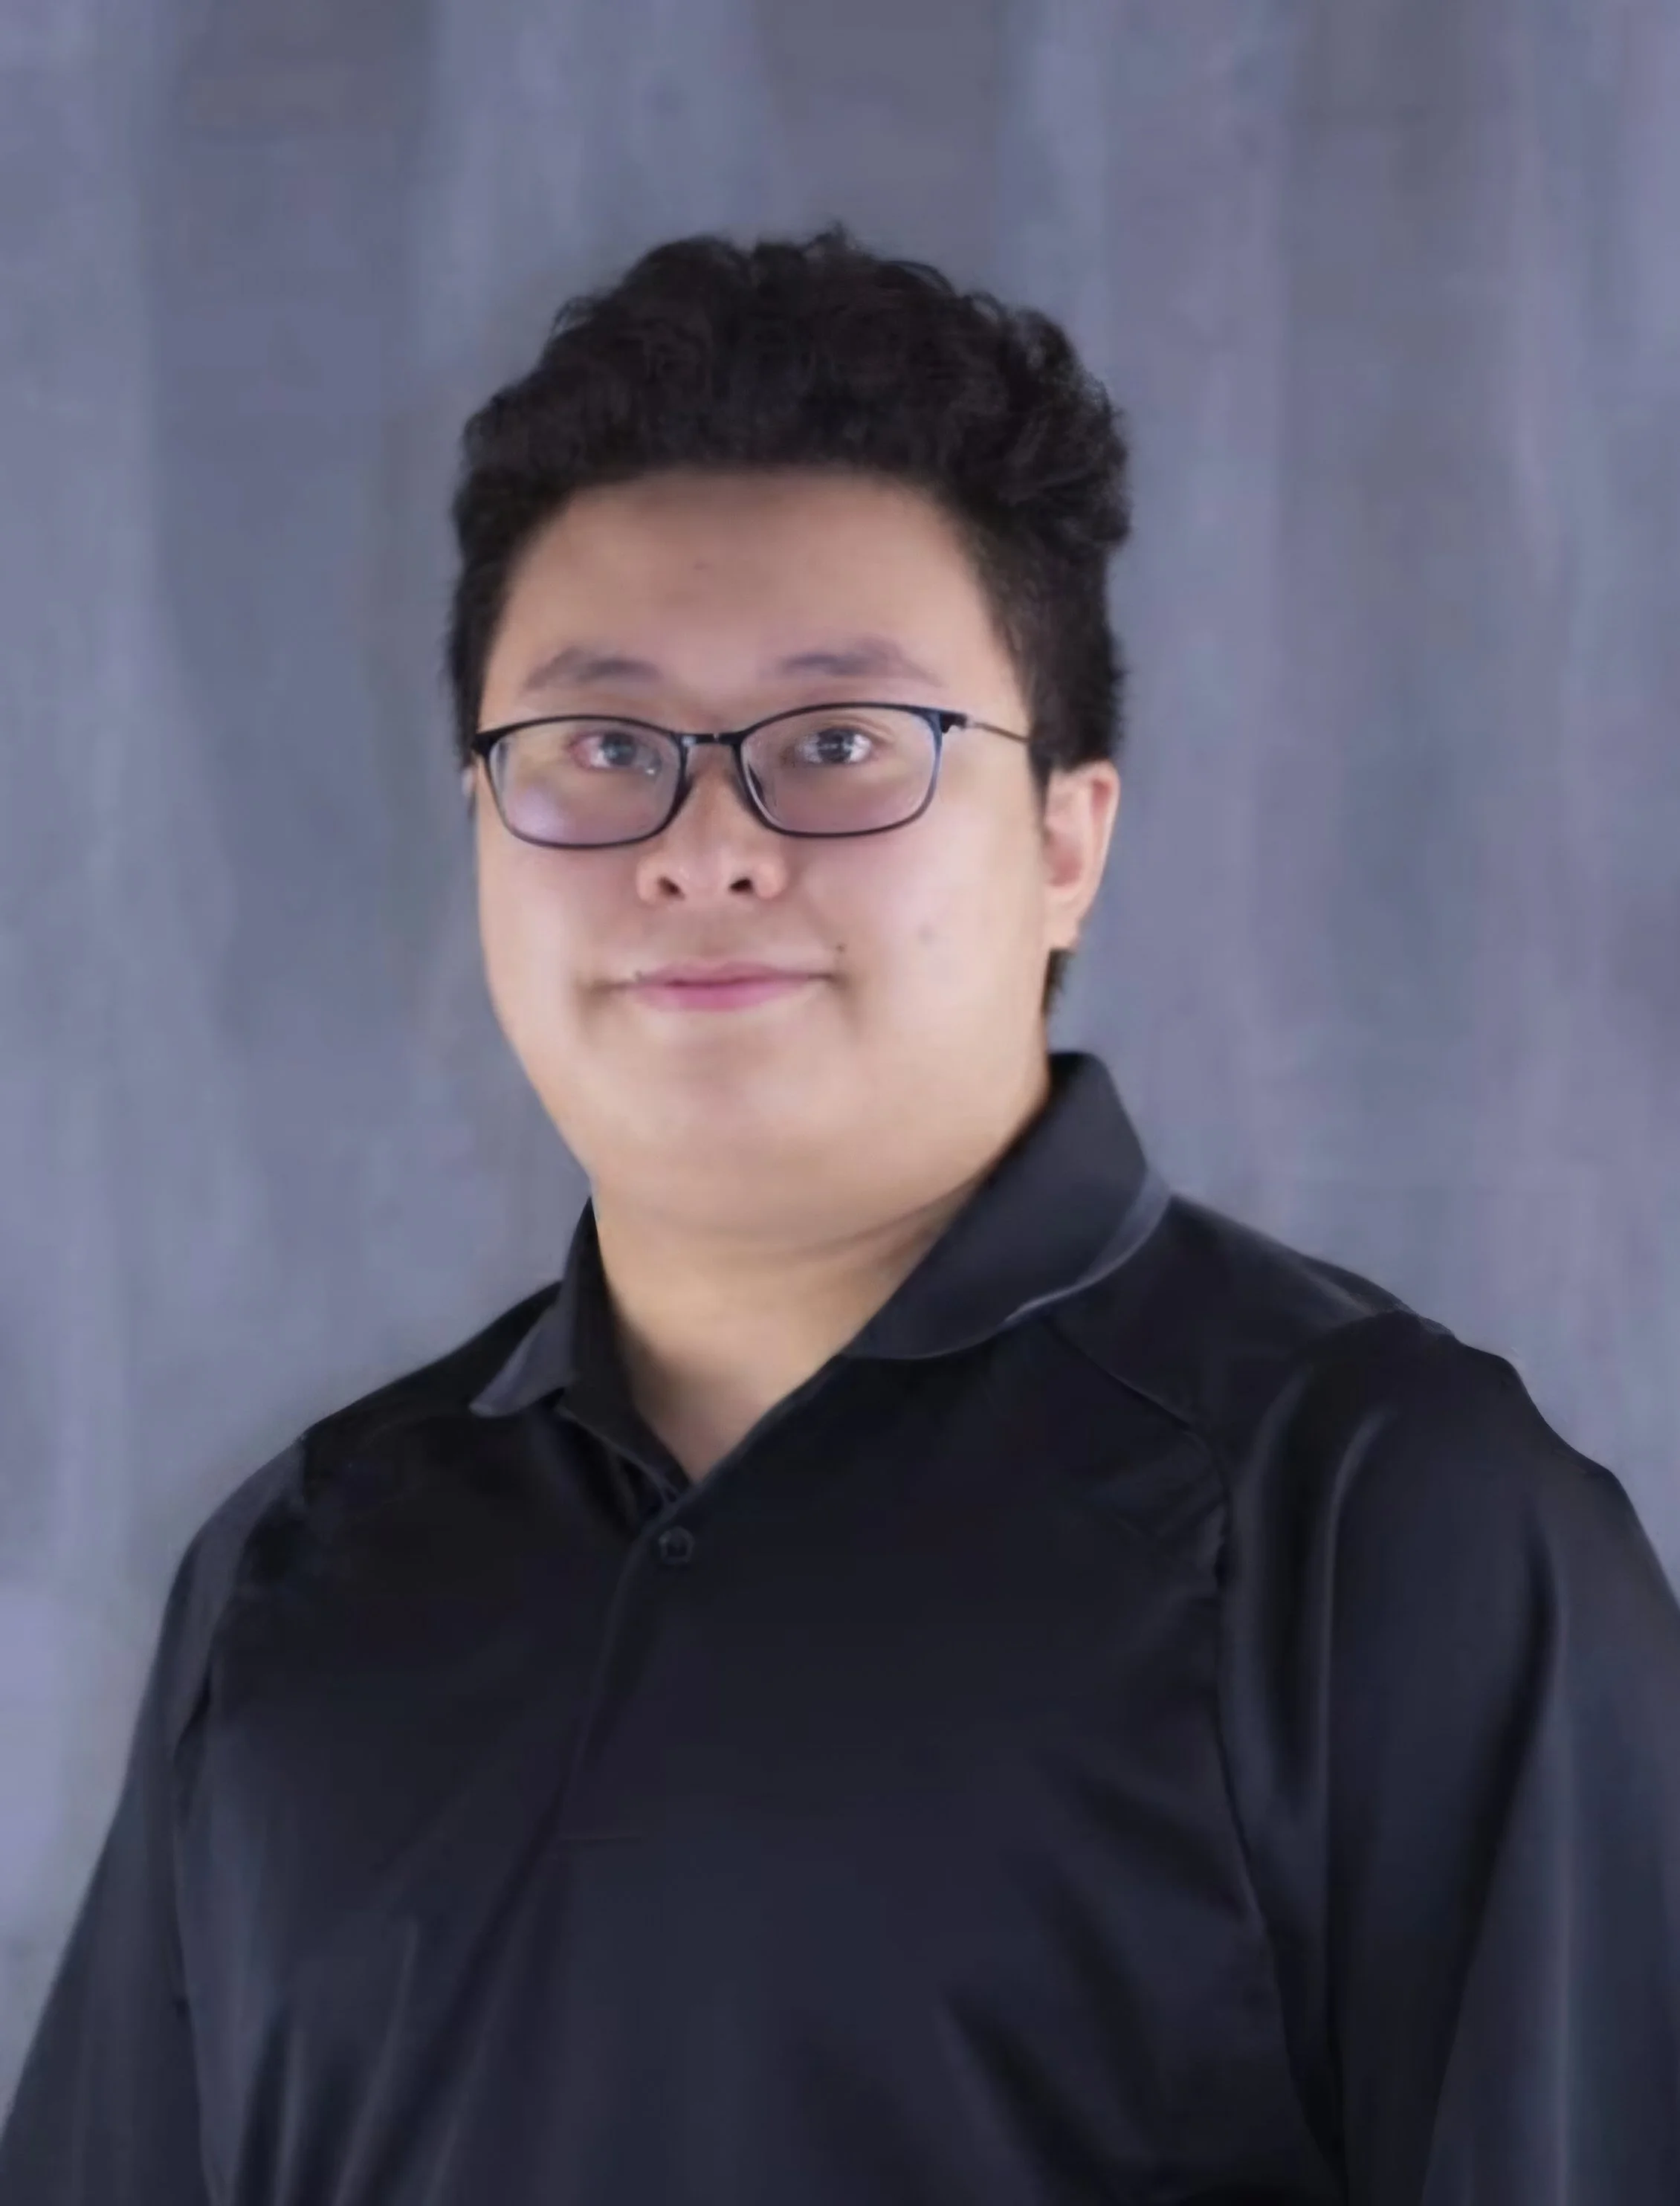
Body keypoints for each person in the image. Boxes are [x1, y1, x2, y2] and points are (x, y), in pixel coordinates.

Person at [3, 224, 1677, 2206]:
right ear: (480, 827)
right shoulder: (298, 1567)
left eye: (837, 748)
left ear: (1066, 842)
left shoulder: (1384, 1523)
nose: (705, 850)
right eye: (602, 749)